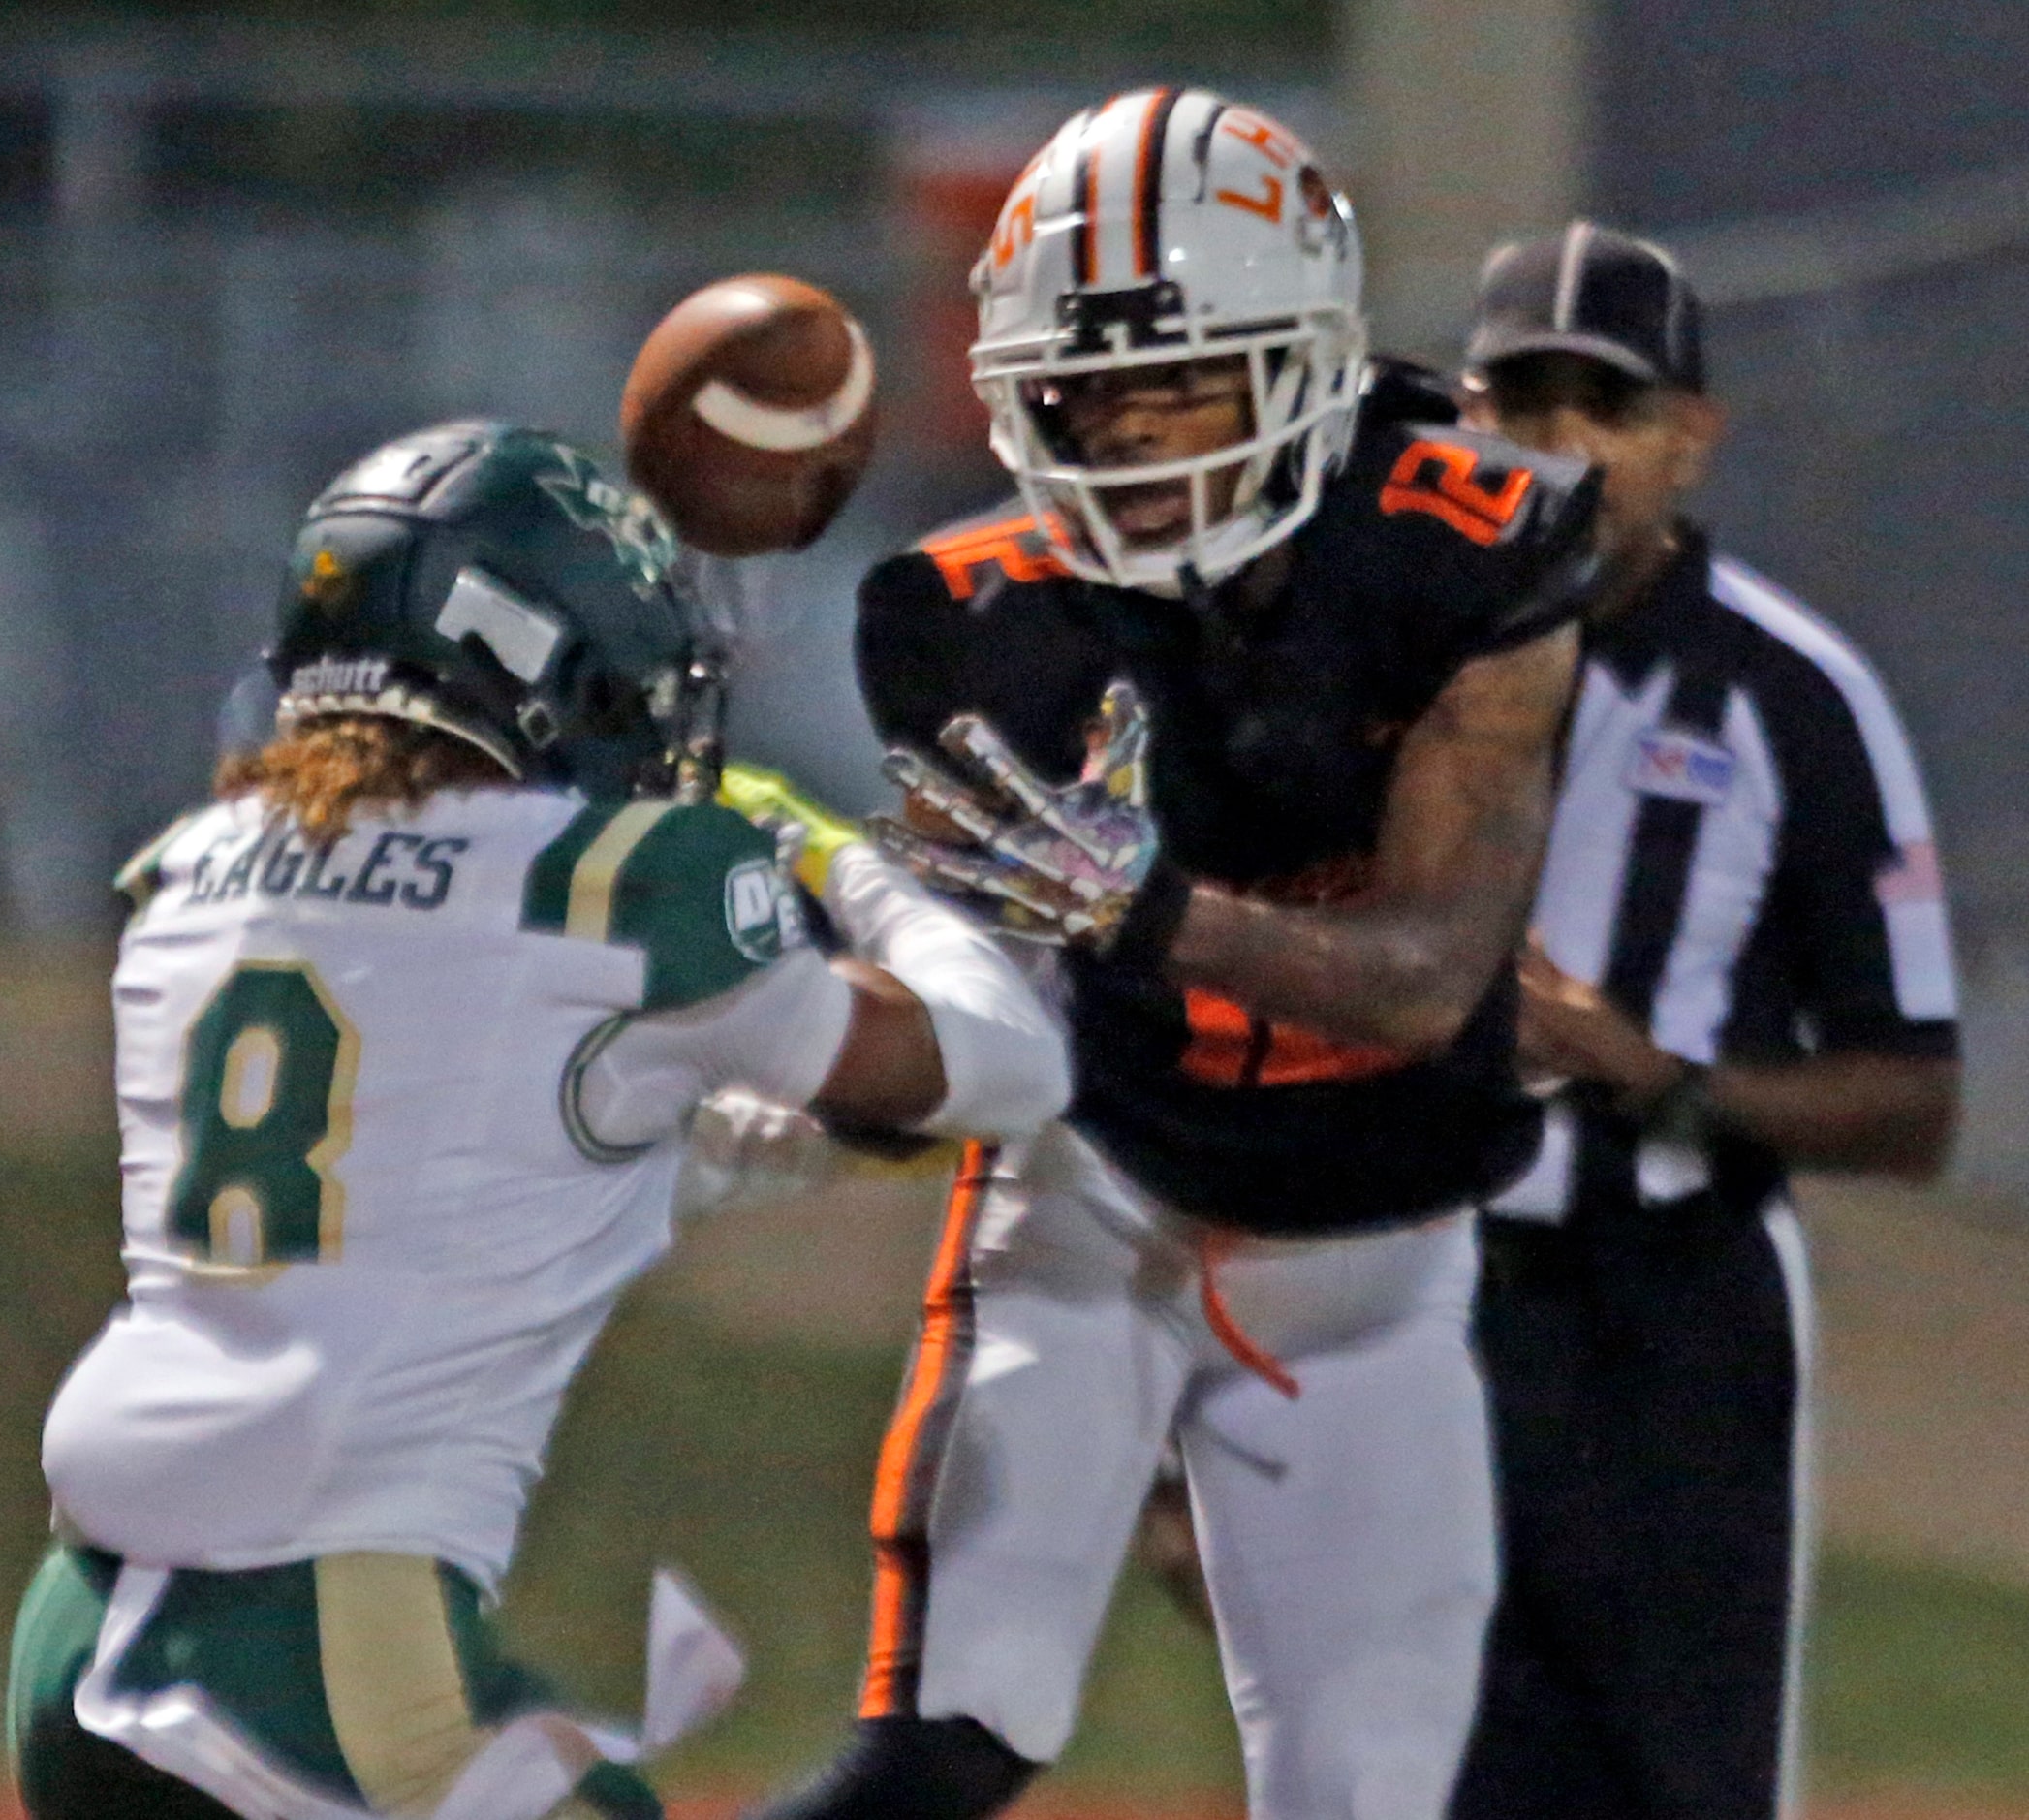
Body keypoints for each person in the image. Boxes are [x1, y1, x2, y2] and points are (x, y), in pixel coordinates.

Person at [5, 422, 1072, 1820]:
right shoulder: (610, 881)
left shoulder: (189, 867)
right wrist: (829, 852)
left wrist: (703, 1152)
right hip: (322, 1640)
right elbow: (1009, 1065)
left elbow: (429, 1159)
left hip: (73, 1620)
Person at [746, 88, 1604, 1820]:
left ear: (1307, 360)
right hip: (1098, 1200)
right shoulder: (959, 620)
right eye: (1087, 393)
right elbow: (991, 1007)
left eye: (1185, 380)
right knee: (939, 1747)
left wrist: (1158, 911)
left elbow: (1432, 968)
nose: (1135, 436)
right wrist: (792, 1082)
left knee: (1360, 1796)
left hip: (1373, 1250)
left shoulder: (1472, 547)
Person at [1444, 226, 1960, 1820]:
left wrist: (1650, 1075)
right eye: (1518, 401)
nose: (1557, 447)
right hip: (1408, 1291)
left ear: (1689, 433)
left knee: (1681, 1782)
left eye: (1603, 405)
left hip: (1675, 1322)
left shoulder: (1790, 694)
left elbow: (1911, 1102)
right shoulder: (1386, 655)